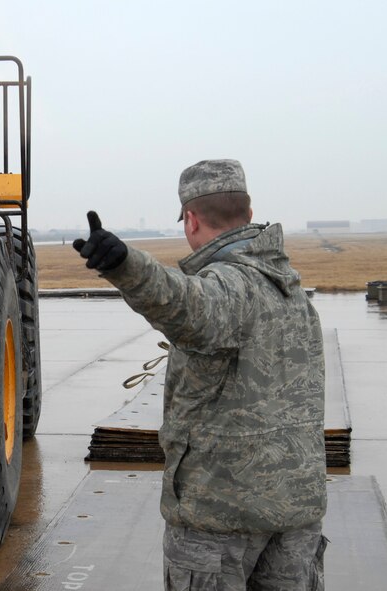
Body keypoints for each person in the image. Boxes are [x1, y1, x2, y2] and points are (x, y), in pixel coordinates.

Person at [73, 159, 328, 590]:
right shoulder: (290, 288)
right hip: (296, 510)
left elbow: (187, 303)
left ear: (191, 219)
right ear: (247, 213)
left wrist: (125, 266)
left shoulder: (232, 286)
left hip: (220, 517)